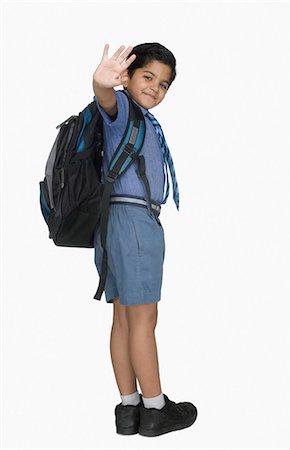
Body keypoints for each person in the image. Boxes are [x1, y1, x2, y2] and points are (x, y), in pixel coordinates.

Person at [92, 43, 197, 437]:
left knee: (122, 318)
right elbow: (105, 98)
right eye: (148, 77)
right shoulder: (122, 109)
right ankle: (156, 410)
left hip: (112, 222)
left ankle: (129, 408)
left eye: (164, 84)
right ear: (128, 76)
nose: (155, 88)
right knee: (142, 318)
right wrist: (102, 82)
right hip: (133, 219)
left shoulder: (140, 118)